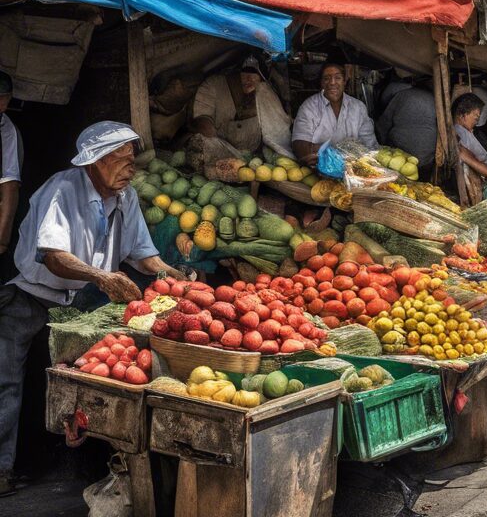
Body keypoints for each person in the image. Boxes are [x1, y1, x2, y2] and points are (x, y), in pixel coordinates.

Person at [0, 122, 186, 495]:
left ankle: (81, 467)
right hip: (33, 295)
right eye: (121, 161)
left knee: (86, 381)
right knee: (6, 382)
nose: (130, 169)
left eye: (132, 161)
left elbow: (143, 254)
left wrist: (176, 277)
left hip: (81, 302)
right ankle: (3, 469)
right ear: (95, 162)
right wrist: (101, 277)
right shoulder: (61, 190)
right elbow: (53, 257)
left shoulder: (126, 196)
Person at [188, 57, 291, 156]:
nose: (248, 78)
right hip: (218, 153)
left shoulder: (265, 91)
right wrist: (218, 146)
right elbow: (202, 118)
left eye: (254, 73)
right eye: (244, 72)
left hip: (254, 157)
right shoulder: (214, 85)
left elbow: (278, 129)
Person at [291, 63, 379, 166]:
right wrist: (342, 154)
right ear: (322, 83)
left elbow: (370, 145)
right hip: (319, 167)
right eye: (327, 78)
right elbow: (300, 145)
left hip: (355, 168)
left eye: (338, 78)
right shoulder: (309, 107)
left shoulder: (358, 107)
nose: (332, 82)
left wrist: (319, 149)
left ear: (344, 81)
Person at [452, 94, 487, 200]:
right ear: (462, 116)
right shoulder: (459, 132)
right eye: (476, 118)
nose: (475, 123)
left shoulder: (464, 132)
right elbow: (462, 153)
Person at [375, 83, 437, 173]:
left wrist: (382, 147)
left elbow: (383, 125)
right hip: (428, 158)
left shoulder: (401, 95)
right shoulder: (434, 98)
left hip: (401, 157)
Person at [0, 73, 19, 264]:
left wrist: (3, 239)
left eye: (6, 101)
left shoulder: (6, 129)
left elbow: (10, 184)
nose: (3, 107)